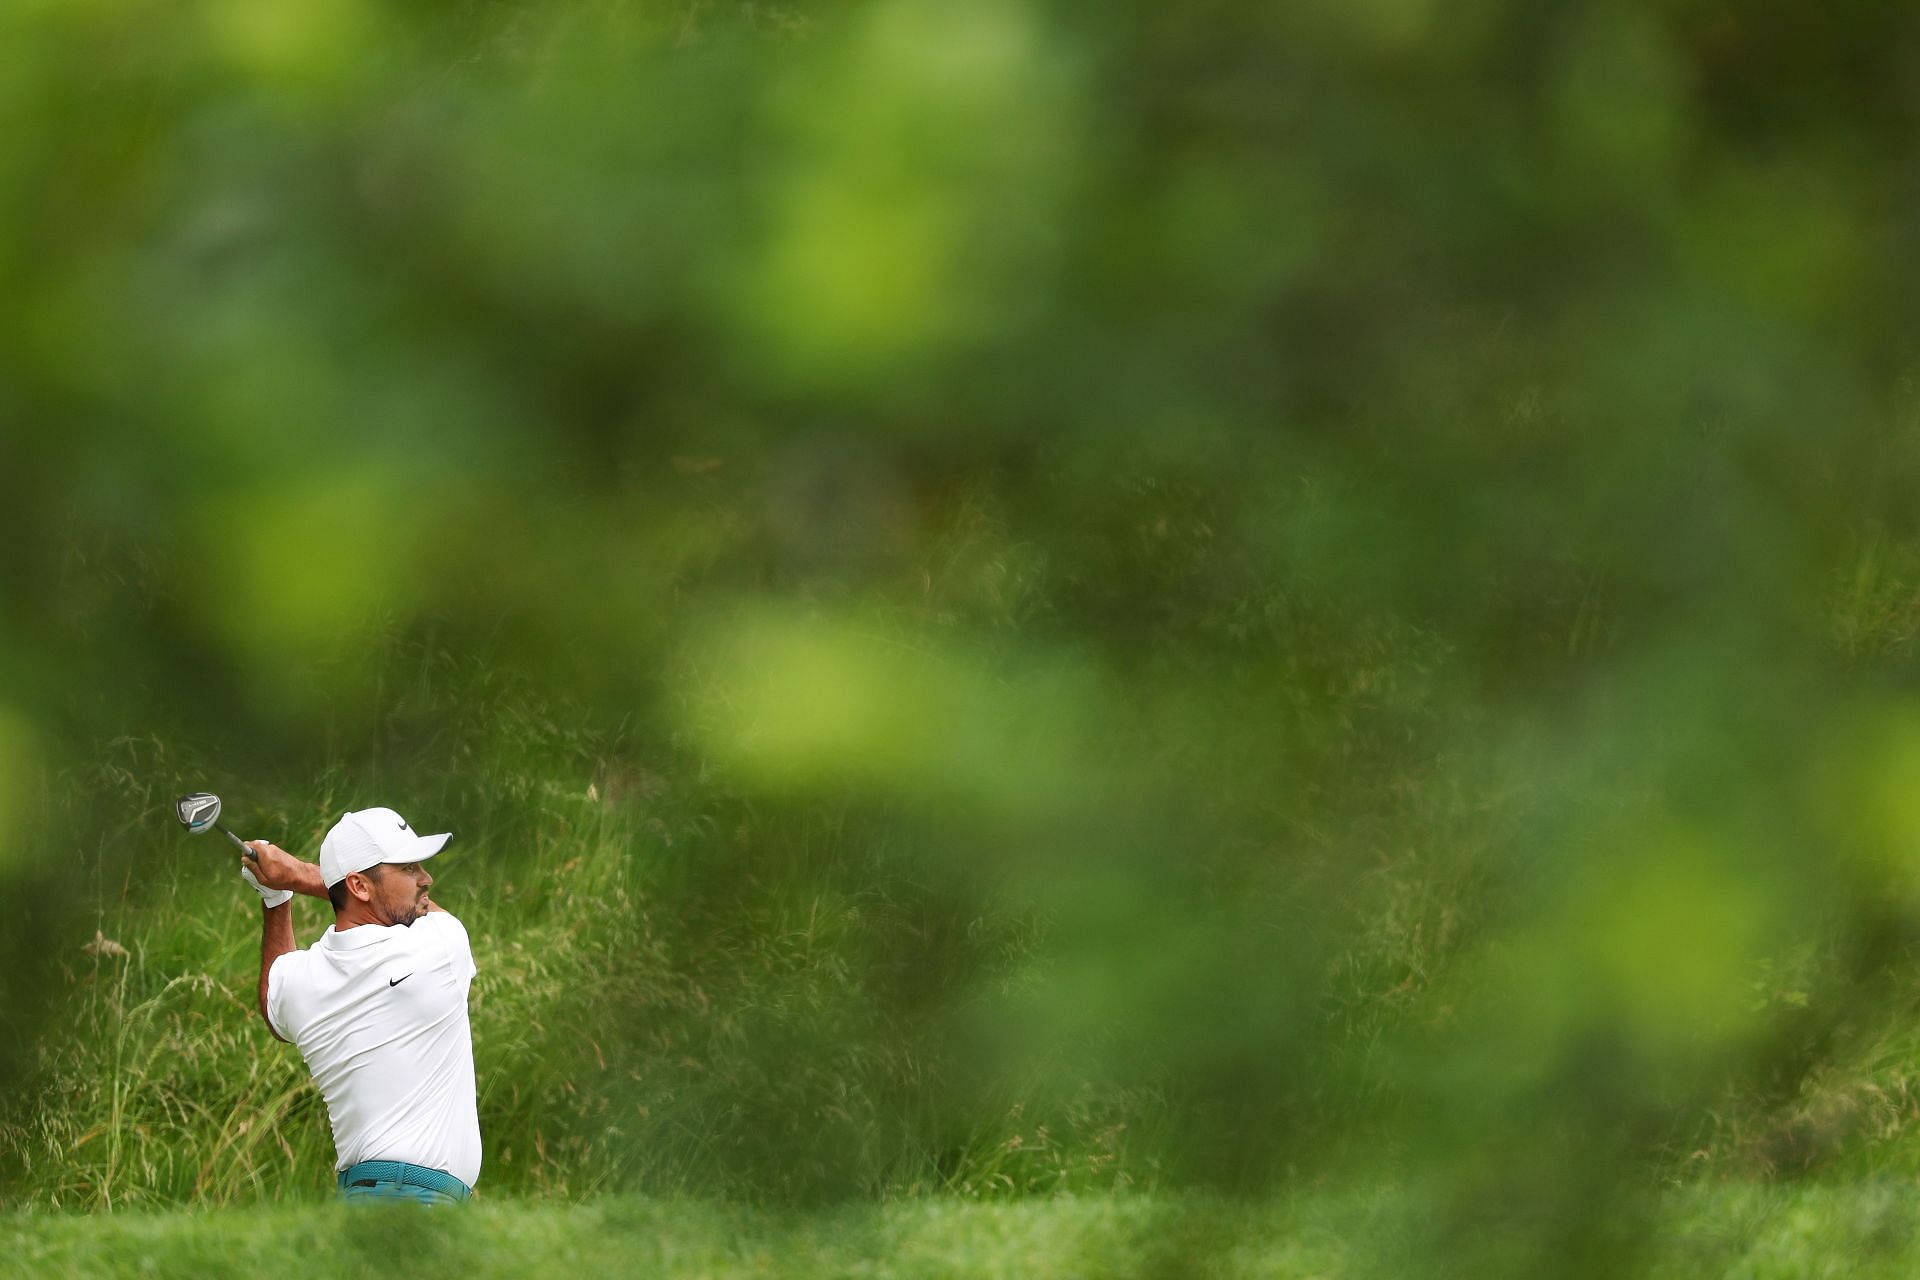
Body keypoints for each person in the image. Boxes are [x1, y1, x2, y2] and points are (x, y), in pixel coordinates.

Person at [238, 807, 481, 1205]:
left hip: (362, 1195)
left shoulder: (302, 979)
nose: (426, 880)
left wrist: (275, 897)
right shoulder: (438, 946)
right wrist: (296, 874)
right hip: (415, 1202)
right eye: (408, 868)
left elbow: (272, 1004)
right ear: (360, 886)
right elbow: (432, 913)